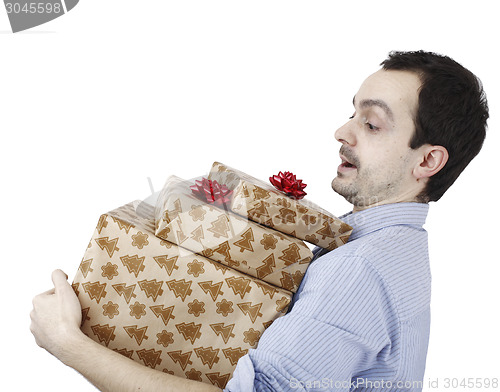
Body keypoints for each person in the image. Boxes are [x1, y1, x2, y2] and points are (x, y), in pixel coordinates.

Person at [30, 50, 489, 392]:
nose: (342, 131)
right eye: (352, 112)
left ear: (428, 160)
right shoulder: (384, 250)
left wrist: (67, 342)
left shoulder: (361, 268)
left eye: (371, 124)